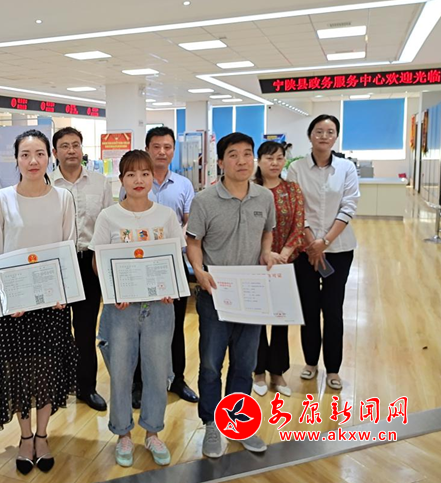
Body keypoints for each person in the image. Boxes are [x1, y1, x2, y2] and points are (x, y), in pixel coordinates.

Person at [0, 129, 78, 475]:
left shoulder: (63, 198)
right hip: (15, 305)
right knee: (19, 371)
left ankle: (42, 434)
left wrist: (62, 292)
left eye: (39, 153)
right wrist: (9, 295)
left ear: (49, 157)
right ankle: (25, 437)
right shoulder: (2, 198)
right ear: (17, 160)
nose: (33, 161)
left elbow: (69, 246)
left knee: (47, 371)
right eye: (25, 155)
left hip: (53, 304)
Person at [186, 132, 278, 458]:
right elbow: (193, 242)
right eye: (234, 155)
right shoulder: (204, 200)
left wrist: (266, 253)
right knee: (211, 364)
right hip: (215, 294)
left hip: (251, 294)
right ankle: (212, 423)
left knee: (245, 364)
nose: (242, 161)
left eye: (247, 154)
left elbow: (267, 232)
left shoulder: (264, 197)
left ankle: (238, 424)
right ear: (221, 162)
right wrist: (198, 270)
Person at [89, 150, 183, 467]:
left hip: (159, 307)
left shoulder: (165, 216)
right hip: (121, 308)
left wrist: (171, 286)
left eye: (144, 173)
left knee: (157, 372)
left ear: (152, 177)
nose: (138, 180)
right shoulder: (108, 216)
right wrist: (113, 289)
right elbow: (97, 261)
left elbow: (175, 257)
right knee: (120, 373)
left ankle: (153, 432)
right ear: (122, 180)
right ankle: (123, 434)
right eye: (131, 174)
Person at [120, 126, 198, 406]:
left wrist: (173, 239)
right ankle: (139, 383)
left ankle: (177, 379)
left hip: (172, 262)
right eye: (156, 146)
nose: (162, 152)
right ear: (147, 148)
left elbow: (189, 222)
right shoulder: (134, 181)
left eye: (167, 147)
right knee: (140, 325)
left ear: (173, 150)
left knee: (174, 325)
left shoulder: (184, 185)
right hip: (138, 264)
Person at [287, 115, 359, 391]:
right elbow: (296, 208)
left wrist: (324, 242)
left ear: (336, 137)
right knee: (308, 307)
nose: (324, 136)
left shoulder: (346, 168)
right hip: (305, 250)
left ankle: (333, 368)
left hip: (338, 250)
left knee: (332, 309)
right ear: (310, 135)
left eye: (330, 132)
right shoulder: (296, 168)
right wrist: (312, 244)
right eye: (319, 131)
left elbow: (349, 206)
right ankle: (310, 363)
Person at [51, 127, 112, 412]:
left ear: (82, 149)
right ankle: (60, 385)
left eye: (75, 145)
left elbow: (109, 224)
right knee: (57, 328)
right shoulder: (46, 183)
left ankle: (87, 387)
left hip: (89, 262)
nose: (71, 150)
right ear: (55, 152)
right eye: (65, 146)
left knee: (86, 329)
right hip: (57, 263)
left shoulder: (100, 182)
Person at [252, 141, 305, 398]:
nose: (274, 163)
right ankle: (258, 370)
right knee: (257, 320)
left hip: (285, 264)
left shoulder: (292, 189)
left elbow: (299, 224)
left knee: (281, 319)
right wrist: (264, 253)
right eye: (269, 158)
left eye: (279, 158)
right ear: (259, 160)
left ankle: (278, 371)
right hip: (255, 263)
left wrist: (284, 254)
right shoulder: (250, 189)